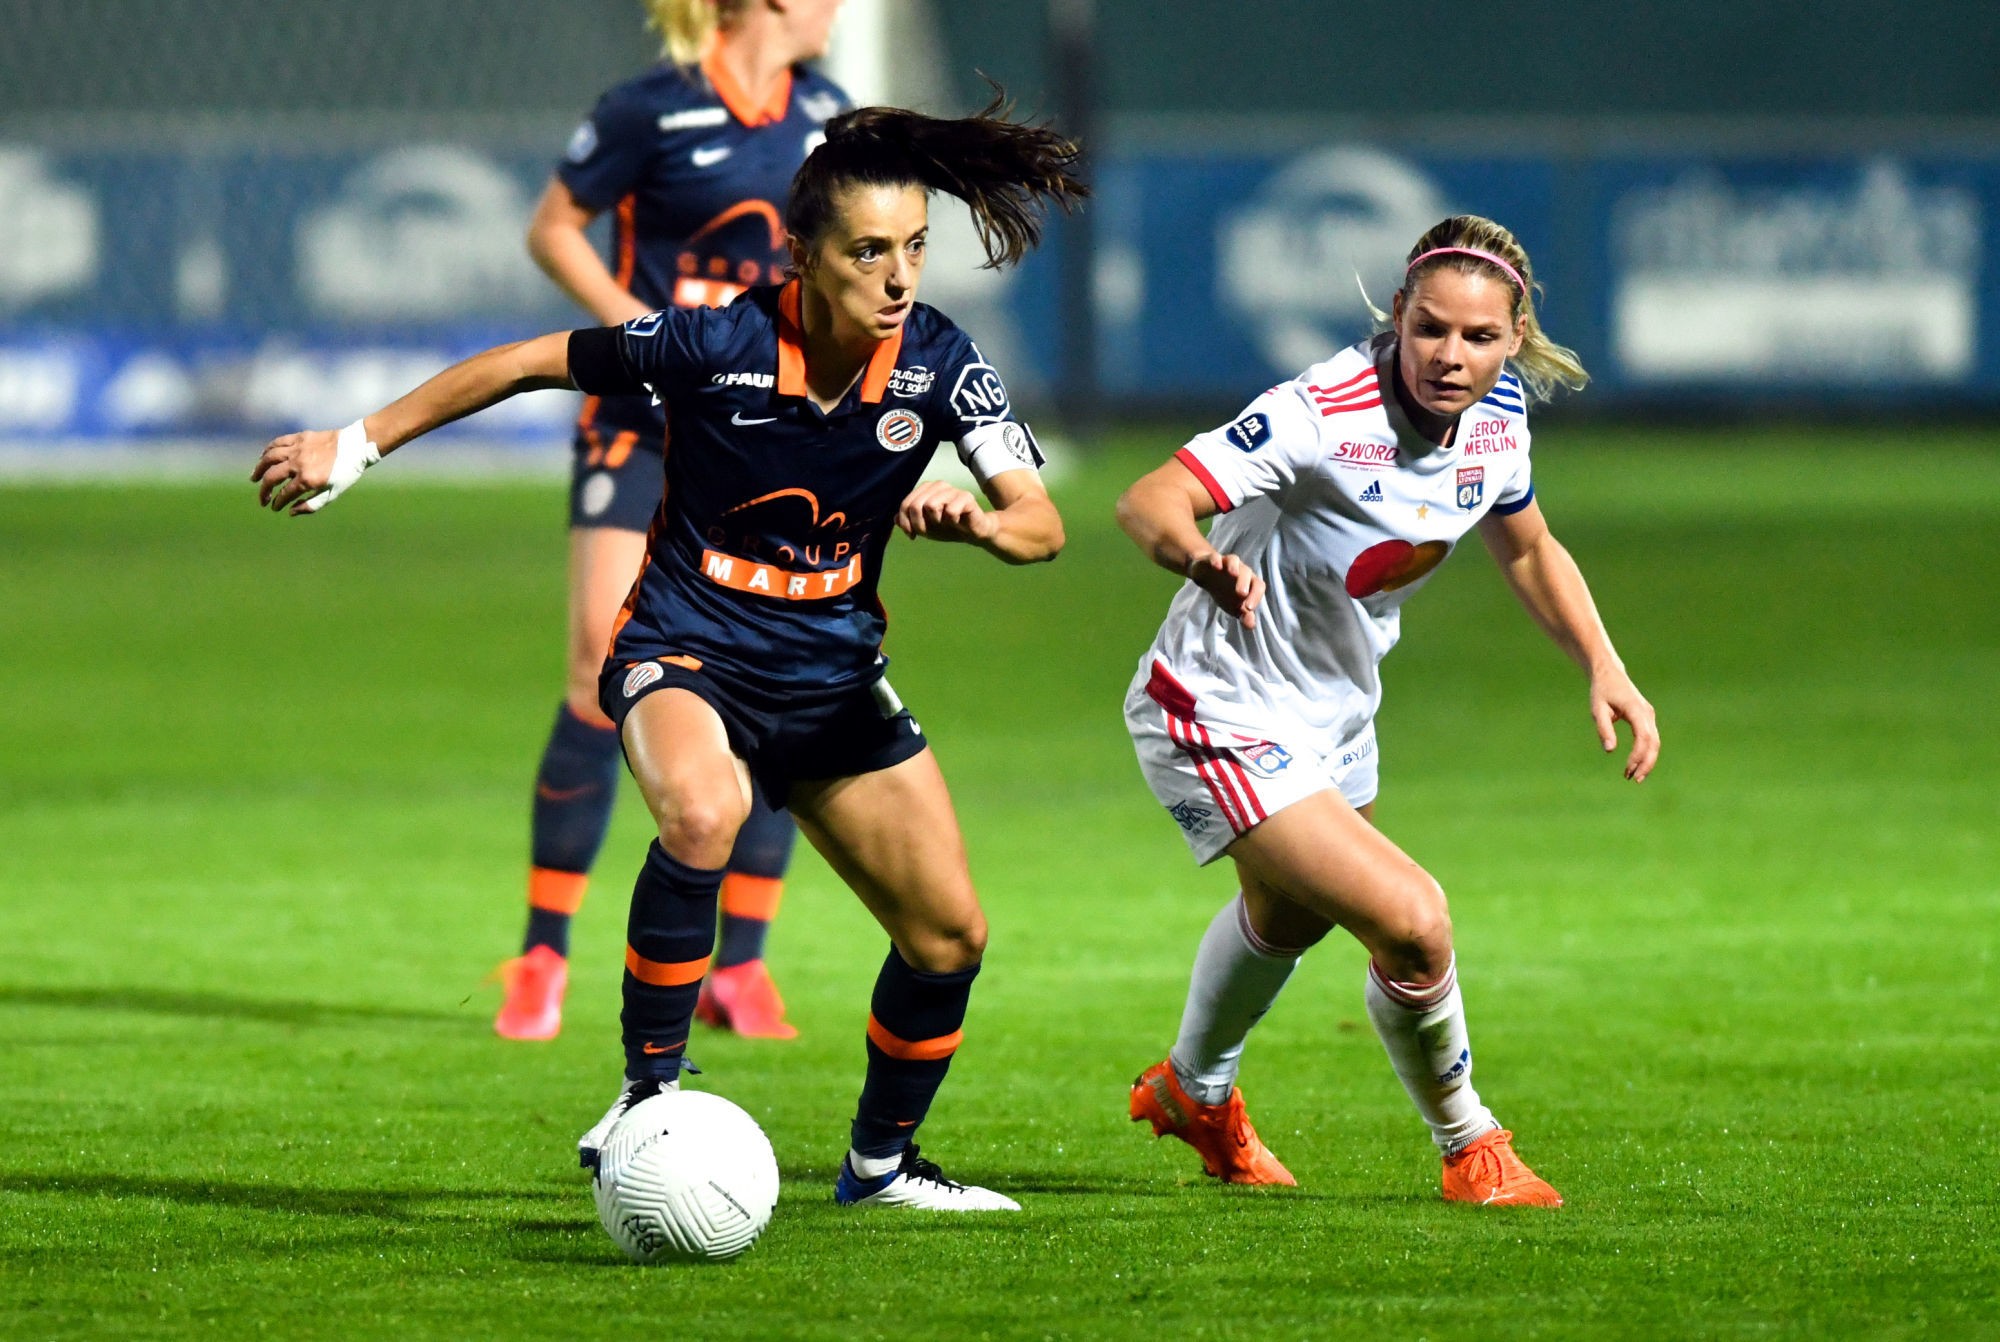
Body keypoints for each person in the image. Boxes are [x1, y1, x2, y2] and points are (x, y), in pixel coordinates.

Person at [253, 101, 1085, 1211]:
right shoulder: (716, 340)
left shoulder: (938, 361)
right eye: (869, 251)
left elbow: (1041, 523)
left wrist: (984, 523)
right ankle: (646, 1093)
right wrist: (354, 444)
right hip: (685, 650)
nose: (898, 279)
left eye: (915, 249)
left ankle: (879, 1168)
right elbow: (522, 363)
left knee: (948, 936)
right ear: (803, 253)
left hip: (832, 677)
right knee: (703, 816)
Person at [1116, 215, 1659, 1206]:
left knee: (1286, 916)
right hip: (1216, 703)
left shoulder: (1495, 421)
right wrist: (1198, 555)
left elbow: (1528, 547)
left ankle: (1193, 1091)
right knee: (1411, 922)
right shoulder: (1320, 411)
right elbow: (1147, 497)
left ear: (1514, 335)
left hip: (1330, 710)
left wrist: (1602, 663)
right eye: (1430, 329)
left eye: (1478, 337)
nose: (1450, 356)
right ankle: (1470, 1144)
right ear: (1396, 318)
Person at [499, 0, 853, 1044]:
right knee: (594, 671)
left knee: (773, 678)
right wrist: (636, 332)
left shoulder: (831, 116)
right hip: (638, 425)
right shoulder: (648, 109)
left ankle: (737, 967)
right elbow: (551, 226)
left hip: (763, 441)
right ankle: (540, 954)